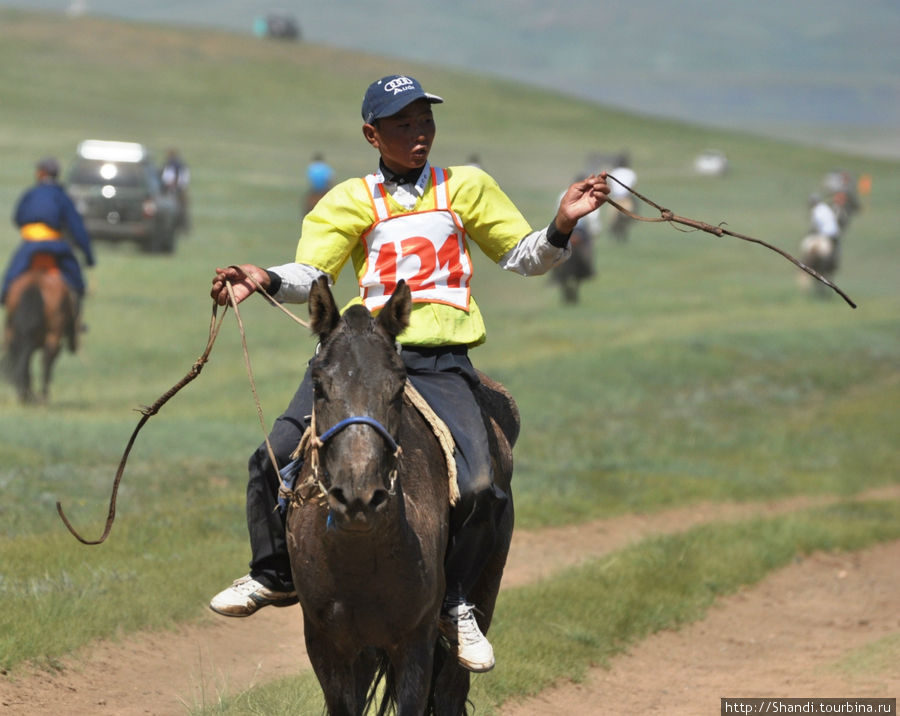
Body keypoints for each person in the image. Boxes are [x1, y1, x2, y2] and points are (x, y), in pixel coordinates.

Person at [207, 74, 609, 673]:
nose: (419, 135)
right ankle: (273, 574)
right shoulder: (349, 199)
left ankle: (456, 603)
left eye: (426, 122)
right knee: (271, 459)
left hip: (441, 361)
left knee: (479, 486)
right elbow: (311, 271)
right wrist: (262, 276)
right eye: (403, 125)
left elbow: (523, 257)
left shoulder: (465, 187)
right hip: (366, 356)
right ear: (373, 134)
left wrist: (561, 224)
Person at [2, 157, 95, 314]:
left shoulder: (30, 193)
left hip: (30, 244)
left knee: (10, 277)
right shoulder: (62, 196)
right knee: (77, 283)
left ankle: (5, 301)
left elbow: (18, 217)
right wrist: (89, 257)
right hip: (55, 245)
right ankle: (75, 322)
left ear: (40, 173)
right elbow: (77, 228)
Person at [607, 152, 637, 242]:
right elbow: (633, 187)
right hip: (626, 198)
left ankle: (616, 235)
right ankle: (622, 235)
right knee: (627, 218)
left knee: (613, 220)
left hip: (615, 199)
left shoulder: (613, 172)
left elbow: (609, 185)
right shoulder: (631, 173)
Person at [160, 149, 191, 232]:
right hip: (173, 189)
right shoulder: (172, 165)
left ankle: (182, 226)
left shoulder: (175, 165)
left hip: (176, 189)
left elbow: (167, 178)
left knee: (182, 208)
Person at [302, 153, 335, 217]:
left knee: (305, 203)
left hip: (315, 189)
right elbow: (330, 179)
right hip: (324, 189)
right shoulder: (326, 167)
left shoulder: (311, 167)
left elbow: (310, 179)